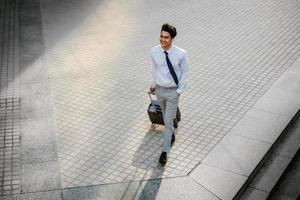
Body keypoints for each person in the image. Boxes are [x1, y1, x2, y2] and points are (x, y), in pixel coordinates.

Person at [150, 23, 189, 165]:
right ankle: (171, 133)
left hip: (173, 92)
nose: (162, 40)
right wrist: (153, 85)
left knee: (167, 121)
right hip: (160, 90)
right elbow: (154, 69)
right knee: (167, 118)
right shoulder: (154, 51)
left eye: (166, 37)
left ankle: (164, 152)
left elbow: (185, 73)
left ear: (172, 38)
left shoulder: (181, 54)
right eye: (161, 36)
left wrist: (178, 91)